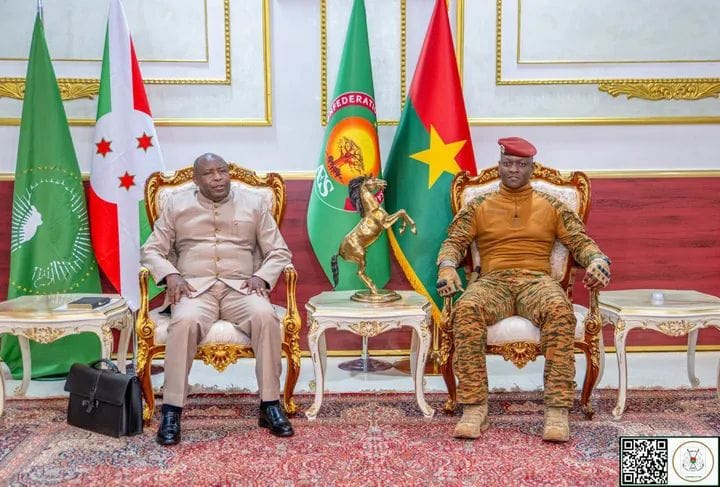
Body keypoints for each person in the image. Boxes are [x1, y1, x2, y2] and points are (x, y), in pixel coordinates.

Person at [436, 137, 611, 442]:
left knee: (559, 309)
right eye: (508, 163)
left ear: (531, 168)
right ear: (499, 166)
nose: (514, 169)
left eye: (521, 164)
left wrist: (597, 260)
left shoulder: (551, 205)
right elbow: (454, 242)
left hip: (536, 282)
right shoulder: (479, 205)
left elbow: (580, 242)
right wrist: (448, 266)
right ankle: (474, 407)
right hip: (493, 282)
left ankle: (557, 410)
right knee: (466, 308)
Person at [141, 153, 294, 445]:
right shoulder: (176, 204)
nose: (218, 178)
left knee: (265, 317)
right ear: (196, 180)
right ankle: (172, 410)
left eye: (222, 171)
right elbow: (151, 250)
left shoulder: (254, 203)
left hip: (242, 288)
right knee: (184, 322)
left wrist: (261, 277)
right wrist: (171, 275)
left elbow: (279, 251)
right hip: (193, 289)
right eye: (209, 173)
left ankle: (270, 404)